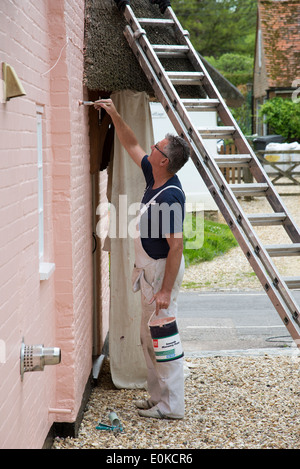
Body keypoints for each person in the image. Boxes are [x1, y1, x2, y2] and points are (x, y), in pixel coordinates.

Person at [94, 98, 190, 419]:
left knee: (163, 337)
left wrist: (164, 290)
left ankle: (172, 406)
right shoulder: (154, 176)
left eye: (157, 148)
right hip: (150, 271)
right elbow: (132, 143)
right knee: (148, 337)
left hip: (162, 272)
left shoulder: (171, 195)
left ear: (164, 161)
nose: (150, 148)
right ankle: (157, 398)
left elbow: (176, 247)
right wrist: (114, 114)